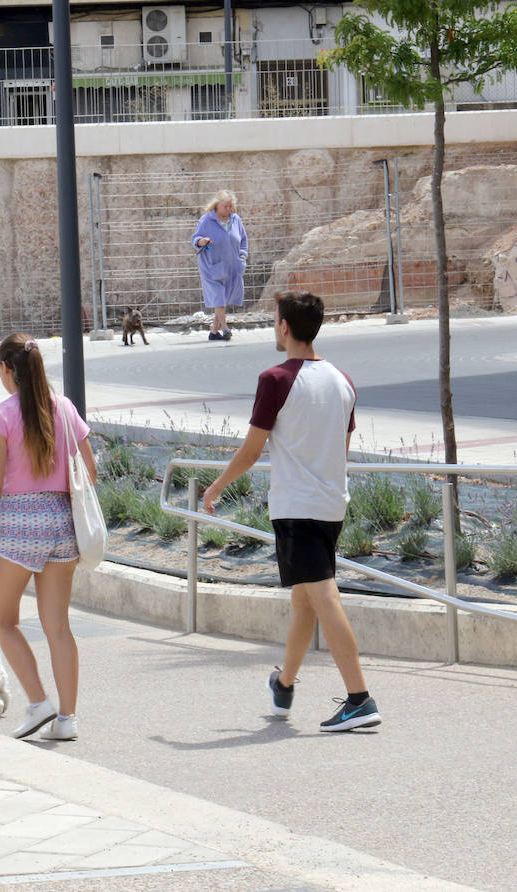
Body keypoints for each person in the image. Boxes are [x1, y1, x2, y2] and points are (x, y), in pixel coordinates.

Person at [201, 291, 381, 732]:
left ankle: (360, 698)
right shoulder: (342, 380)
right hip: (330, 505)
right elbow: (342, 446)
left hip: (298, 507)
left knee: (323, 596)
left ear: (284, 327)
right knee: (305, 602)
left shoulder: (276, 379)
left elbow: (252, 448)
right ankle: (284, 684)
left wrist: (217, 486)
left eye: (274, 321)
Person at [0, 333, 98, 741]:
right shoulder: (63, 408)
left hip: (19, 525)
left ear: (8, 370)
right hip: (63, 523)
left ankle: (38, 702)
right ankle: (67, 719)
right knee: (57, 626)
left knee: (4, 620)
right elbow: (90, 473)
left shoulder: (2, 416)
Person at [191, 189, 248, 342]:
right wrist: (201, 241)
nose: (229, 209)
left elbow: (243, 240)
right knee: (218, 298)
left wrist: (242, 256)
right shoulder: (206, 220)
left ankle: (213, 332)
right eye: (225, 206)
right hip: (212, 267)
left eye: (231, 206)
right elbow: (195, 238)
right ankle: (225, 329)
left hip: (232, 267)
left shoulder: (236, 219)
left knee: (222, 299)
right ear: (216, 206)